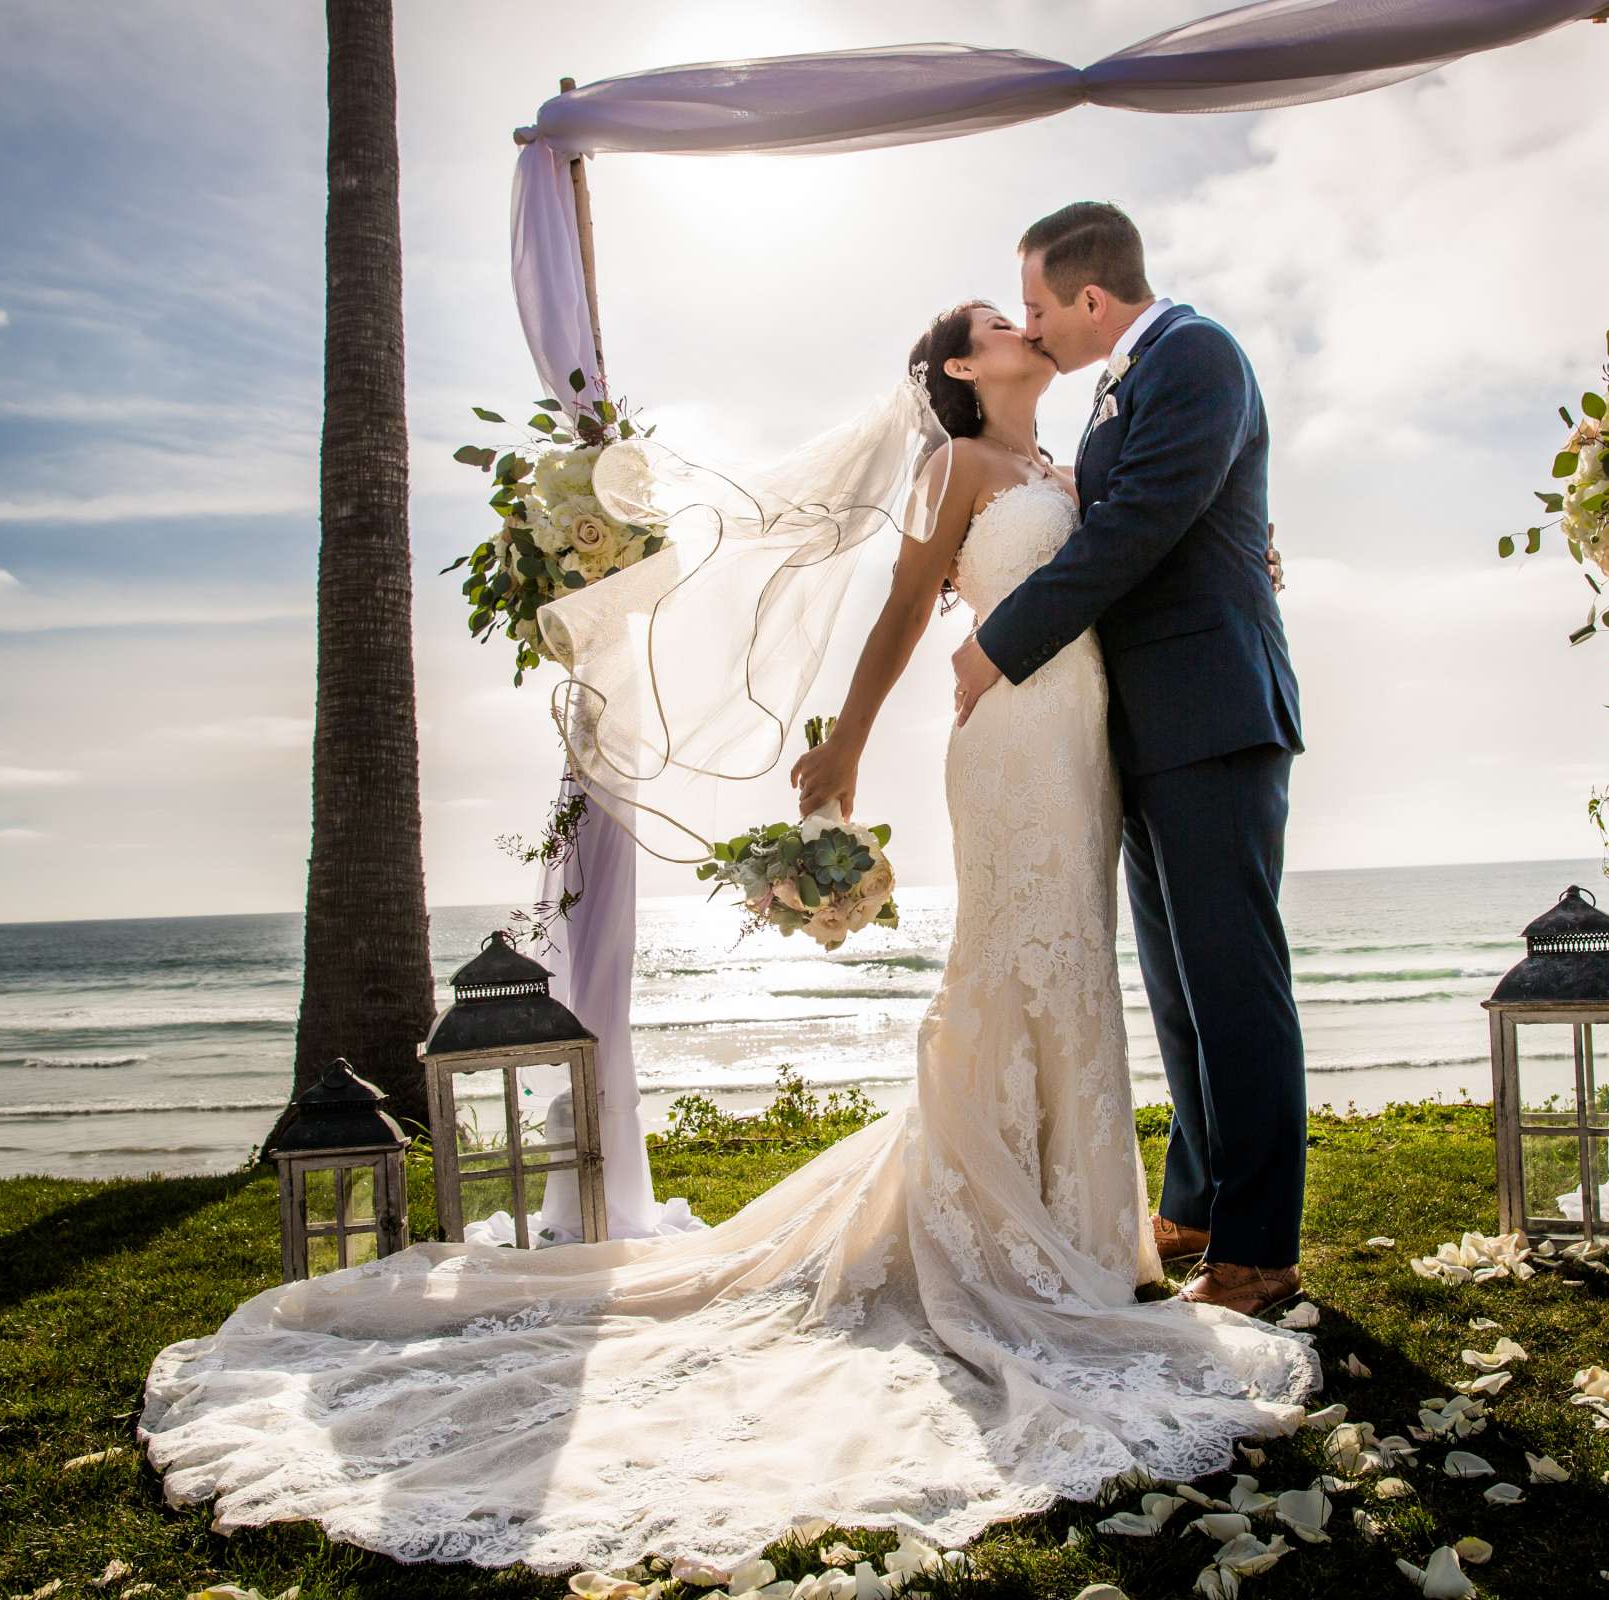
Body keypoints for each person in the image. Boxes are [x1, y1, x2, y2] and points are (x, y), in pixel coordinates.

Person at [139, 289, 1317, 1578]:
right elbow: (902, 607)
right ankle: (1000, 1225)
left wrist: (1244, 552)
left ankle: (1083, 1224)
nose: (1024, 321)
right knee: (1012, 961)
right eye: (997, 317)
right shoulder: (952, 466)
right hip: (1008, 743)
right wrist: (849, 745)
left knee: (1076, 969)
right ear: (961, 366)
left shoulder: (1066, 463)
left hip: (1085, 739)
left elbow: (1144, 545)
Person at [948, 202, 1309, 1317]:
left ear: (1093, 301)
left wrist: (992, 651)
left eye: (1043, 307)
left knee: (1234, 984)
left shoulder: (1197, 354)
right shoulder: (1124, 383)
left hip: (1212, 712)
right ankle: (1196, 1202)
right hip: (1145, 728)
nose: (1035, 325)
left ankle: (1257, 1249)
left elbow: (1137, 526)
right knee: (1180, 989)